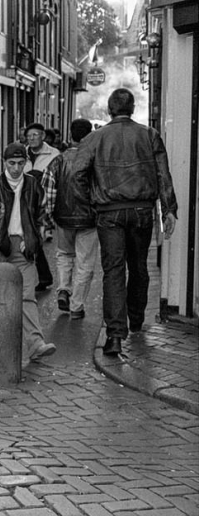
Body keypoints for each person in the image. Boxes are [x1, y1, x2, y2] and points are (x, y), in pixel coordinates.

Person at [73, 88, 178, 356]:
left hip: (109, 212)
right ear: (132, 109)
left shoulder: (94, 139)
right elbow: (162, 174)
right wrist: (169, 209)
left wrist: (91, 203)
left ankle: (115, 336)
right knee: (139, 266)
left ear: (110, 110)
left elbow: (76, 175)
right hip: (142, 209)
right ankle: (137, 319)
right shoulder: (149, 135)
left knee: (114, 271)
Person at [0, 142, 57, 364]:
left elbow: (44, 217)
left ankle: (35, 343)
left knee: (27, 295)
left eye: (20, 163)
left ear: (26, 162)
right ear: (4, 162)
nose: (16, 168)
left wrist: (34, 241)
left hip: (23, 248)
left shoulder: (34, 187)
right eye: (11, 163)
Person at [41, 118, 97, 320]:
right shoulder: (94, 161)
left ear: (70, 135)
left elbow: (48, 191)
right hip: (89, 220)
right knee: (85, 262)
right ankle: (77, 306)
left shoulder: (58, 161)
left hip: (63, 219)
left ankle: (64, 289)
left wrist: (48, 219)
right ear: (89, 136)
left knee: (64, 255)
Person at [23, 122, 60, 292]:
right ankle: (43, 276)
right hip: (23, 202)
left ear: (43, 136)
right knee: (31, 238)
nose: (31, 139)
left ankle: (39, 277)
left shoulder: (54, 155)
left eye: (35, 135)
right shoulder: (22, 153)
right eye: (29, 136)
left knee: (32, 238)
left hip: (43, 204)